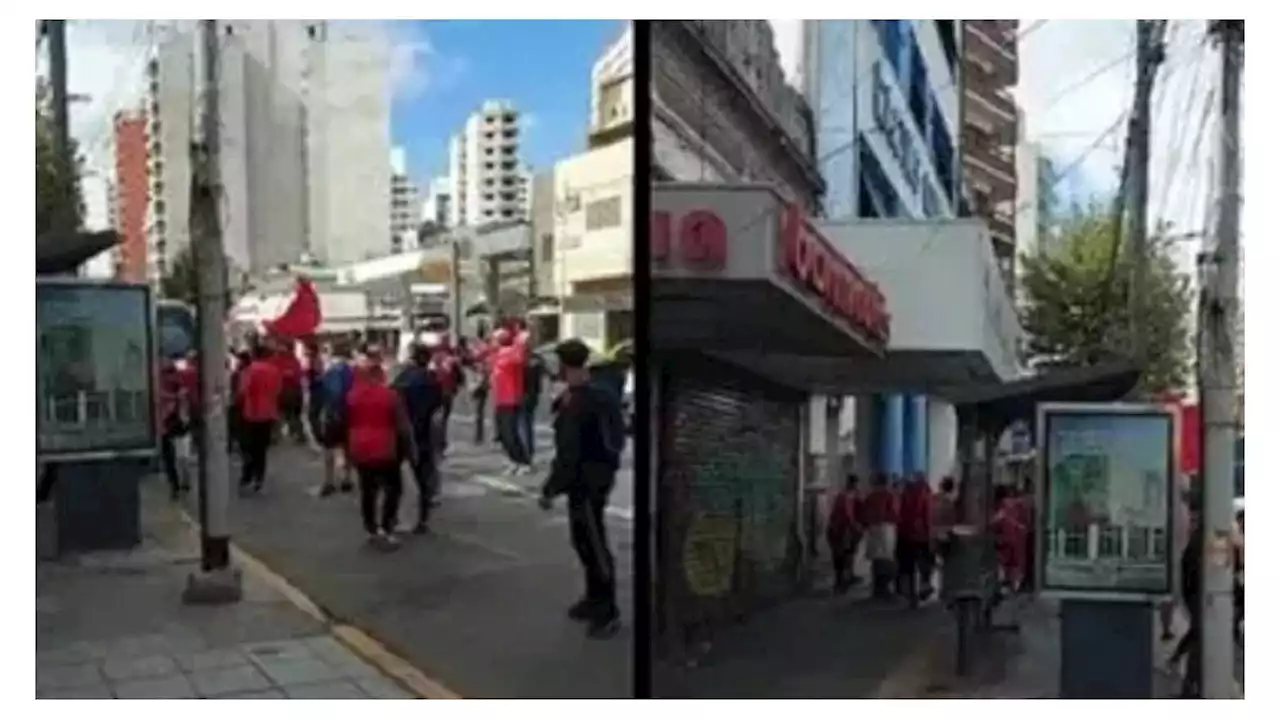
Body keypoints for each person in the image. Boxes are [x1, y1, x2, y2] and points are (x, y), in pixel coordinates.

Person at [538, 338, 625, 639]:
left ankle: (607, 610)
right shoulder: (583, 395)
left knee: (594, 543)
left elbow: (569, 451)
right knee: (583, 540)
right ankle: (593, 597)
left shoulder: (586, 400)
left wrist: (551, 488)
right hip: (586, 479)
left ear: (564, 366)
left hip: (588, 481)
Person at [346, 349, 409, 548]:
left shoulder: (352, 396)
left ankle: (371, 528)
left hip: (359, 447)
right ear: (380, 375)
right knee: (393, 488)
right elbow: (402, 426)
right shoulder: (390, 395)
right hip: (384, 447)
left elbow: (343, 421)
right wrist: (407, 449)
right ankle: (387, 527)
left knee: (367, 490)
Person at [395, 342, 445, 534]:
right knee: (423, 476)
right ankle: (423, 519)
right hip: (424, 431)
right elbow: (439, 406)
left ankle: (399, 516)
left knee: (399, 477)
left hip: (404, 430)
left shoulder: (402, 378)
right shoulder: (432, 379)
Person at [237, 344, 282, 494]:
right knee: (262, 449)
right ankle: (259, 478)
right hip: (268, 413)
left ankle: (247, 476)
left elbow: (243, 391)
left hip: (251, 413)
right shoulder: (274, 370)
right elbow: (278, 390)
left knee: (248, 447)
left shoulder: (249, 370)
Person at [317, 340, 356, 496]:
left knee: (329, 448)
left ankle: (329, 481)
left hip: (332, 413)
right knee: (347, 447)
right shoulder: (352, 371)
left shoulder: (330, 371)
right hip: (349, 413)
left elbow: (327, 393)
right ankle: (347, 478)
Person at [490, 328, 532, 474]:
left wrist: (521, 338)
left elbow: (521, 356)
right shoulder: (496, 355)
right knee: (502, 434)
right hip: (500, 400)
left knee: (510, 433)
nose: (492, 341)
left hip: (511, 399)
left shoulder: (511, 354)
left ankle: (524, 462)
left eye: (495, 338)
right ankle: (513, 461)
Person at [897, 473, 934, 606]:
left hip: (905, 534)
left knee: (908, 566)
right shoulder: (925, 495)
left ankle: (910, 593)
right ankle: (924, 587)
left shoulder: (904, 495)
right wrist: (930, 533)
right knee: (925, 564)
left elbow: (899, 513)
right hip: (921, 535)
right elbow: (928, 516)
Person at [157, 356, 189, 500]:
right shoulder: (177, 381)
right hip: (172, 421)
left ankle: (176, 483)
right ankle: (180, 481)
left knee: (171, 456)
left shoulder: (161, 381)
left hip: (168, 422)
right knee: (179, 454)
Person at [826, 474, 865, 594]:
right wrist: (855, 527)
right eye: (857, 484)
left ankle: (846, 578)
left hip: (842, 530)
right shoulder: (845, 497)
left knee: (848, 555)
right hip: (842, 531)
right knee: (843, 556)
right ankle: (841, 582)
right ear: (853, 484)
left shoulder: (848, 496)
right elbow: (847, 516)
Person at [862, 474, 899, 599]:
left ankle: (876, 587)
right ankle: (885, 587)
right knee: (887, 558)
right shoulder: (889, 496)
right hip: (886, 529)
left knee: (876, 559)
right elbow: (894, 513)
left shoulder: (870, 496)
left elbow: (864, 513)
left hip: (872, 529)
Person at [520, 333, 547, 464]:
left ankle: (526, 454)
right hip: (534, 394)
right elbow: (546, 373)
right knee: (528, 423)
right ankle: (529, 452)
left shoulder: (520, 359)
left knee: (522, 424)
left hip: (521, 394)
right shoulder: (538, 359)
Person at [272, 339, 306, 443]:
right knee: (286, 414)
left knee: (286, 414)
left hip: (288, 391)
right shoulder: (289, 361)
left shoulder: (287, 361)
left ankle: (277, 435)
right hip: (288, 391)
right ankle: (297, 434)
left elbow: (298, 376)